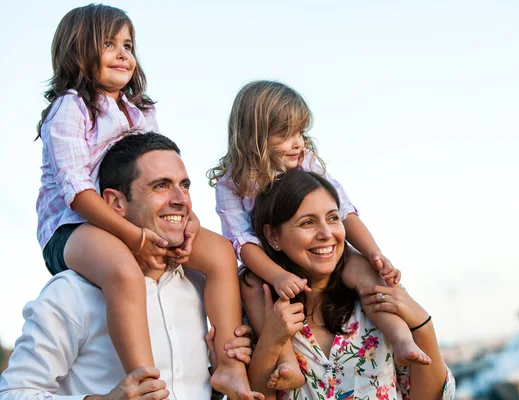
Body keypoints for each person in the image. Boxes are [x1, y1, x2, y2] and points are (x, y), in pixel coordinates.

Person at [35, 5, 250, 397]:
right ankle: (146, 380)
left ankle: (228, 365)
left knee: (219, 254)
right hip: (71, 226)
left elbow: (160, 172)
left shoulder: (139, 111)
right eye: (109, 44)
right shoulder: (70, 108)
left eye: (128, 45)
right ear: (76, 50)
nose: (123, 54)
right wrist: (135, 237)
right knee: (122, 270)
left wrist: (190, 223)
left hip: (130, 216)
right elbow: (77, 192)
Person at [0, 133, 263, 400]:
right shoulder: (72, 293)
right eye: (161, 186)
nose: (181, 200)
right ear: (116, 203)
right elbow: (13, 393)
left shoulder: (202, 283)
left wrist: (216, 374)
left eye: (184, 186)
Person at [207, 80, 429, 389]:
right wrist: (277, 276)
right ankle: (286, 362)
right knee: (250, 285)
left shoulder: (305, 161)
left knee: (362, 267)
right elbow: (241, 242)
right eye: (285, 135)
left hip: (314, 254)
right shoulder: (232, 182)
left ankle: (401, 337)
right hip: (267, 261)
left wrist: (374, 252)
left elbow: (343, 211)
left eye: (300, 133)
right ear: (254, 137)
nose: (297, 143)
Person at [245, 169, 455, 399]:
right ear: (273, 236)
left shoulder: (375, 294)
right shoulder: (255, 306)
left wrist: (422, 324)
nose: (327, 233)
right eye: (307, 222)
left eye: (333, 218)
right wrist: (271, 341)